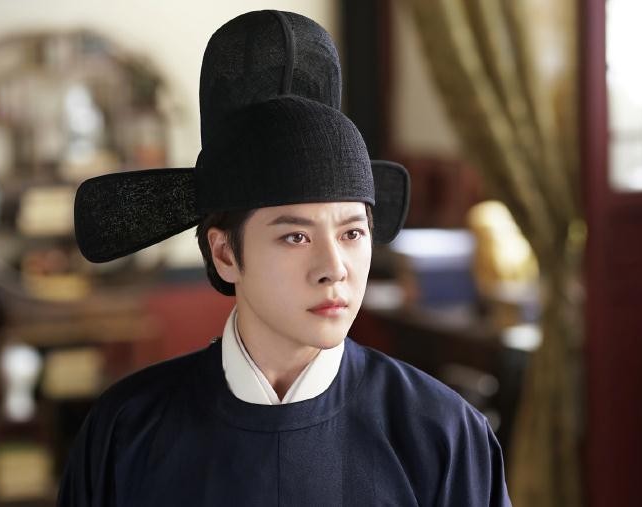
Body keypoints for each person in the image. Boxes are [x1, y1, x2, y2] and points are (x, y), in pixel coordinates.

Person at [60, 10, 511, 506]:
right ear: (225, 253)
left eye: (352, 232)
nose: (334, 268)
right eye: (295, 237)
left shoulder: (442, 433)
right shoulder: (126, 432)